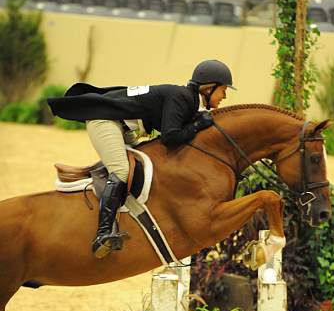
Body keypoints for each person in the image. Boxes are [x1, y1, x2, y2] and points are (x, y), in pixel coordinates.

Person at [48, 59, 236, 259]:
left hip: (125, 129)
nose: (225, 95)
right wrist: (198, 126)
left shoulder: (189, 100)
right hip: (105, 121)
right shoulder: (181, 97)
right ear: (208, 88)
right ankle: (103, 233)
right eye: (223, 89)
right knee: (121, 170)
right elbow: (171, 138)